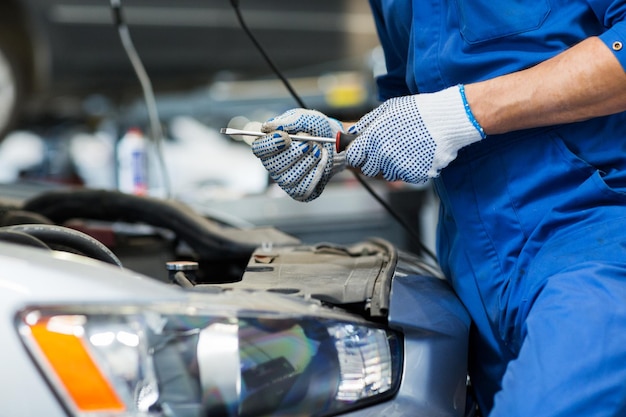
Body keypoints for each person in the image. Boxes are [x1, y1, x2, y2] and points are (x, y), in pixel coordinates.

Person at [250, 1, 626, 416]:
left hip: (595, 245)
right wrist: (345, 142)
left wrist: (461, 113)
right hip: (473, 277)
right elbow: (407, 114)